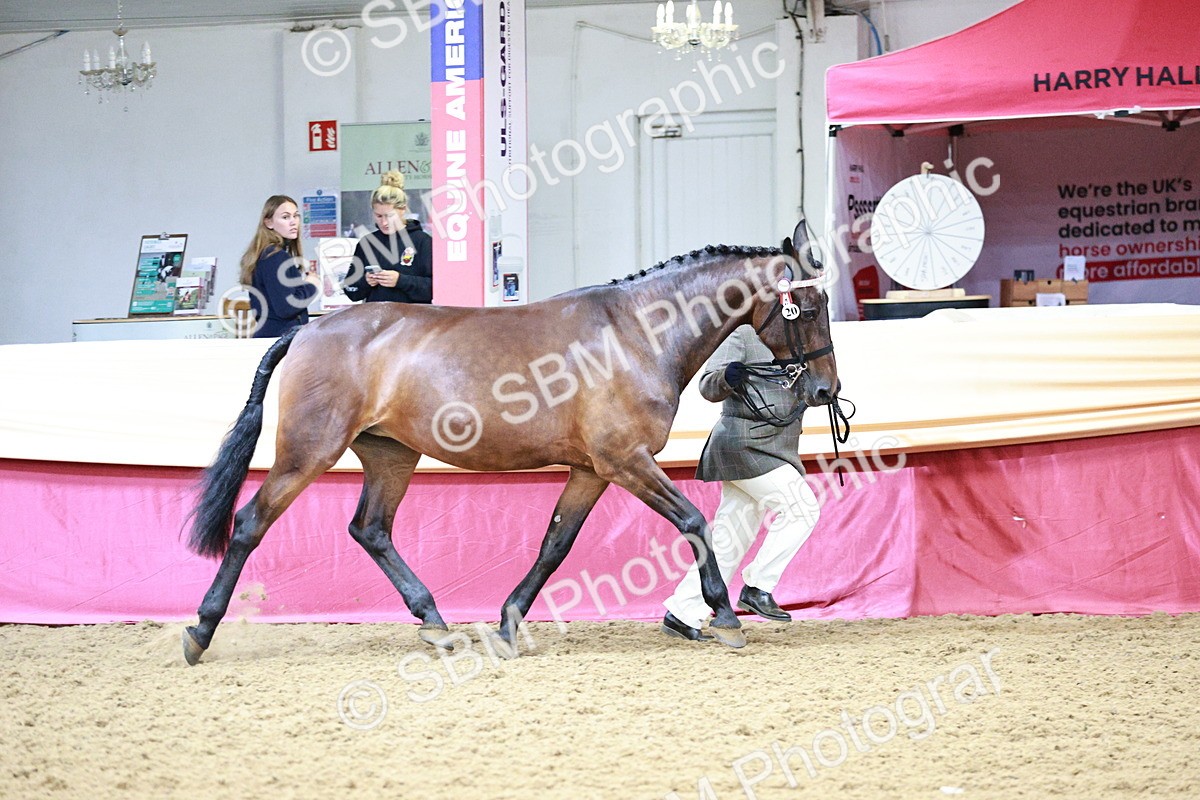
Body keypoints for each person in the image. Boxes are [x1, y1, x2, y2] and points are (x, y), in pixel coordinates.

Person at [661, 324, 822, 641]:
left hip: (776, 446)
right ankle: (758, 586)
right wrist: (727, 377)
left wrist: (825, 385)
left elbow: (808, 388)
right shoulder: (743, 334)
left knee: (731, 537)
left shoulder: (802, 337)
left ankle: (683, 612)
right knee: (802, 508)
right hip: (743, 445)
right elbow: (708, 385)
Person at [343, 171, 433, 304]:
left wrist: (401, 280)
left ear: (402, 209)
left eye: (390, 216)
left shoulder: (423, 242)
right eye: (378, 216)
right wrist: (366, 281)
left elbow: (435, 288)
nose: (384, 222)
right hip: (376, 316)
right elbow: (350, 290)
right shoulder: (367, 243)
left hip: (413, 316)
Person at [240, 195, 317, 338]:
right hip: (278, 339)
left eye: (296, 216)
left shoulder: (266, 254)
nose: (293, 222)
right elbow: (287, 307)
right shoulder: (275, 257)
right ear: (269, 223)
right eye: (285, 217)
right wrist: (311, 285)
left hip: (271, 336)